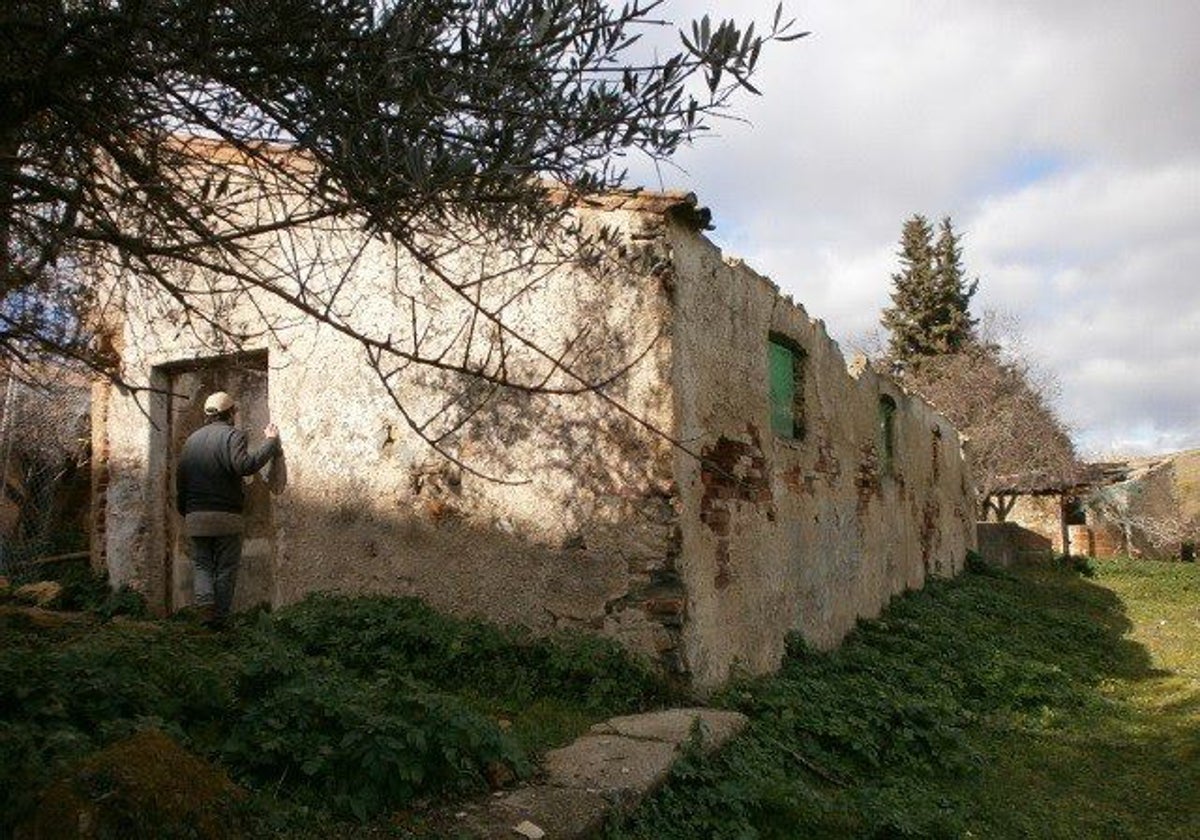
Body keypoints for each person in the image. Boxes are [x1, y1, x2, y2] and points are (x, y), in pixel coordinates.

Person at [175, 390, 280, 627]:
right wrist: (270, 443)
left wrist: (187, 512)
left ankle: (205, 609)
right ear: (230, 413)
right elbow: (245, 466)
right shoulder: (233, 435)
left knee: (202, 564)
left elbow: (180, 482)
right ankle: (220, 621)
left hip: (195, 516)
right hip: (226, 516)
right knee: (225, 568)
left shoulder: (191, 441)